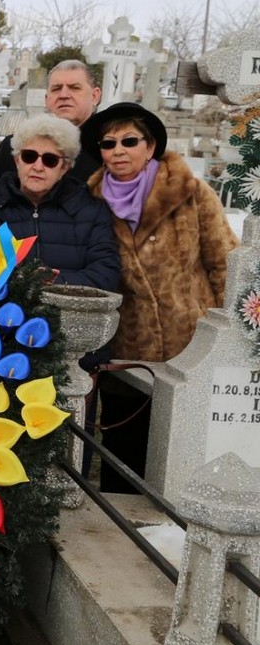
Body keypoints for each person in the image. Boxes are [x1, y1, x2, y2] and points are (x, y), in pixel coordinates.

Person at [84, 102, 238, 492]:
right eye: (108, 143)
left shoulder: (191, 192)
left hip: (189, 346)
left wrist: (229, 337)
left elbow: (224, 262)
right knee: (124, 459)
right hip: (127, 351)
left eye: (129, 141)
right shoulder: (92, 200)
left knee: (181, 462)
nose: (118, 150)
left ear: (150, 146)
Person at [0, 114, 120, 290]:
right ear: (17, 160)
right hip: (2, 314)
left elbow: (105, 274)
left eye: (50, 160)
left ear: (64, 167)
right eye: (29, 156)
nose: (38, 166)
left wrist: (52, 283)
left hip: (71, 313)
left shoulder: (90, 210)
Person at [0, 60, 103, 196]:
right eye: (56, 89)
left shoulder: (107, 151)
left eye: (74, 88)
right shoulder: (13, 147)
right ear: (46, 99)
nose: (64, 95)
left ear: (95, 96)